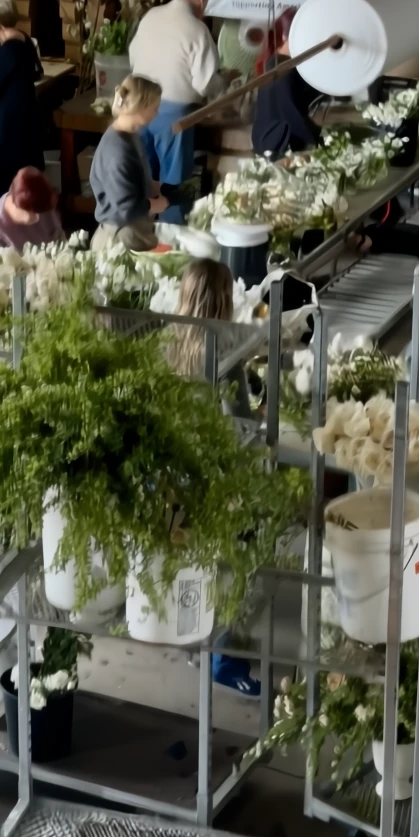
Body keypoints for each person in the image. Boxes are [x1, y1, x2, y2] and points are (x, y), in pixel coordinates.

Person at [165, 259, 259, 698]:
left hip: (175, 475)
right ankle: (226, 659)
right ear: (224, 300)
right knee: (235, 564)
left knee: (189, 559)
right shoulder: (224, 350)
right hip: (219, 479)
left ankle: (190, 639)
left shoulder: (167, 338)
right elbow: (239, 421)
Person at [128, 0, 233, 224]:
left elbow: (133, 55)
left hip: (138, 107)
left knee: (141, 179)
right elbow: (205, 82)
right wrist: (225, 79)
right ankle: (171, 240)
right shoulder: (196, 30)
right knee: (171, 185)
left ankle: (139, 237)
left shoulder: (151, 16)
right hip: (174, 116)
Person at [89, 75, 169, 252]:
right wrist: (159, 204)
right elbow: (128, 209)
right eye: (155, 108)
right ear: (140, 108)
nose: (157, 113)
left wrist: (154, 186)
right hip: (120, 238)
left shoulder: (130, 135)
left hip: (133, 230)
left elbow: (132, 178)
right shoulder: (117, 151)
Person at [0, 0, 45, 191]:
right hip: (27, 118)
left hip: (11, 127)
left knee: (14, 185)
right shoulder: (25, 40)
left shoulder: (7, 51)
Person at [251, 8, 324, 160]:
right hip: (279, 144)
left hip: (268, 139)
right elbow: (291, 112)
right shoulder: (285, 68)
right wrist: (316, 136)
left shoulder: (275, 63)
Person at [0, 166, 62, 251]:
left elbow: (60, 240)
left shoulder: (41, 203)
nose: (38, 217)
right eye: (33, 212)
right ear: (14, 202)